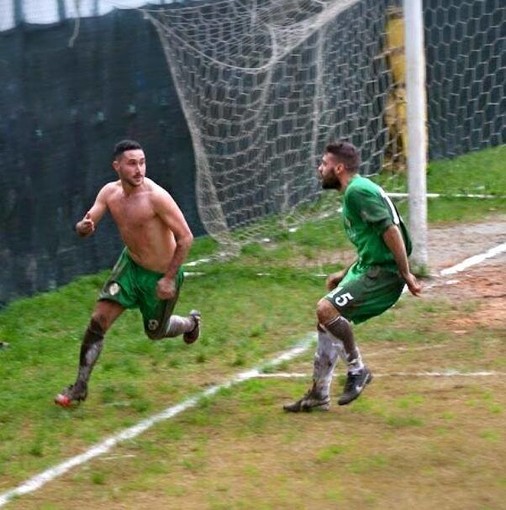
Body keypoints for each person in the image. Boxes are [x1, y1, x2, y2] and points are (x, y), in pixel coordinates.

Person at [55, 139, 201, 407]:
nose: (139, 169)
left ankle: (191, 323)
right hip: (130, 268)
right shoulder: (109, 193)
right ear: (117, 166)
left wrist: (169, 279)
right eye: (132, 163)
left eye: (142, 162)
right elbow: (88, 222)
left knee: (156, 333)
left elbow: (186, 237)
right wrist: (82, 227)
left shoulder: (156, 197)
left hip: (160, 277)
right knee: (99, 320)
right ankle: (79, 386)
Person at [283, 140, 421, 412]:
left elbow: (391, 231)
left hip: (383, 272)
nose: (319, 169)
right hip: (370, 266)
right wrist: (344, 273)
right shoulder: (355, 191)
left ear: (339, 167)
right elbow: (372, 242)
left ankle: (357, 370)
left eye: (324, 164)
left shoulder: (357, 192)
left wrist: (405, 272)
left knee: (326, 308)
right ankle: (319, 394)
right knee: (325, 320)